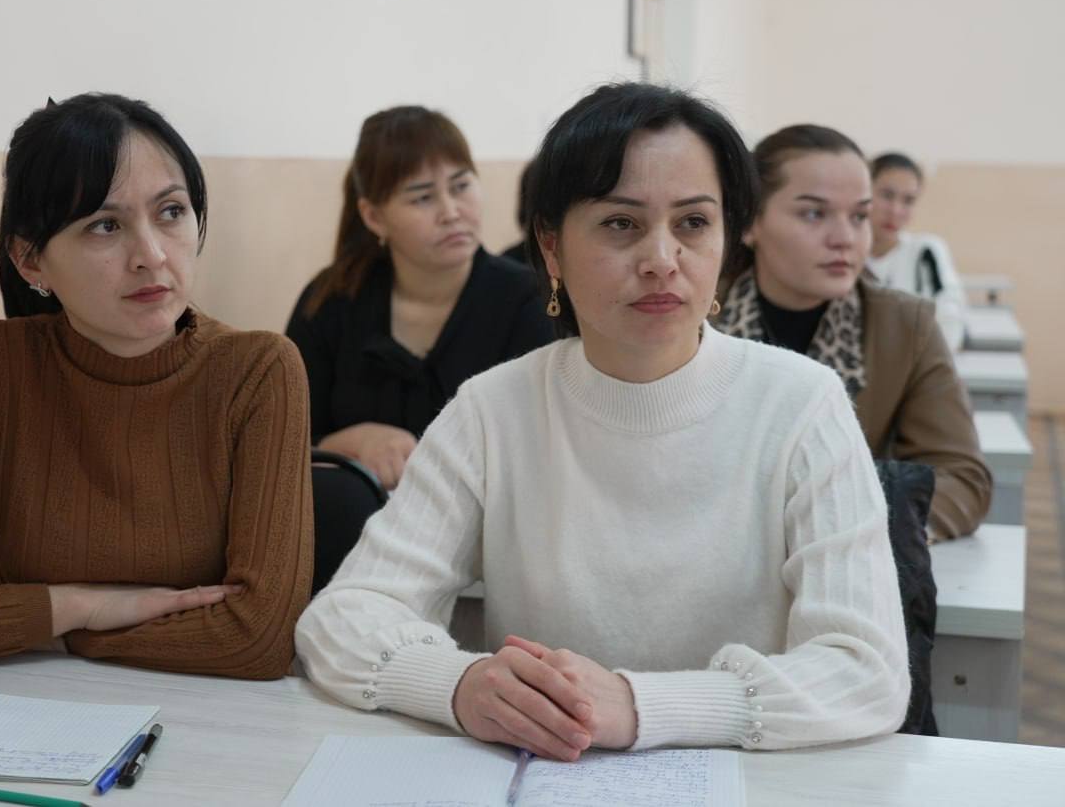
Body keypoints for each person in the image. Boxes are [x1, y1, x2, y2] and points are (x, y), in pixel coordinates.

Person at [296, 83, 909, 759]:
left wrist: (640, 706)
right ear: (551, 248)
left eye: (693, 223)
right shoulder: (493, 410)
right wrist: (460, 684)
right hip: (543, 774)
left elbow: (867, 673)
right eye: (620, 224)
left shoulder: (802, 403)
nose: (662, 260)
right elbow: (342, 620)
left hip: (746, 782)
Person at [0, 94, 313, 677]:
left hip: (207, 712)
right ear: (31, 260)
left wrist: (59, 633)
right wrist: (84, 606)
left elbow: (258, 637)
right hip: (25, 710)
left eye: (172, 212)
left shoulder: (258, 370)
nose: (152, 256)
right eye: (105, 225)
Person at [716, 125, 990, 541]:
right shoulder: (695, 318)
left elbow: (963, 481)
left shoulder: (906, 326)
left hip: (837, 556)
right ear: (751, 223)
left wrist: (832, 517)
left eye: (860, 216)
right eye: (814, 214)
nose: (845, 239)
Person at [286, 106, 553, 491]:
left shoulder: (528, 300)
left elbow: (538, 449)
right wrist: (343, 444)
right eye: (423, 197)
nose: (451, 212)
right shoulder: (330, 301)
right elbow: (284, 442)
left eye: (461, 186)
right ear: (374, 217)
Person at [866, 152, 966, 352]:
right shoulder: (844, 253)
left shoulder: (926, 252)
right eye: (887, 195)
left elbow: (951, 323)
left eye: (908, 200)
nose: (895, 210)